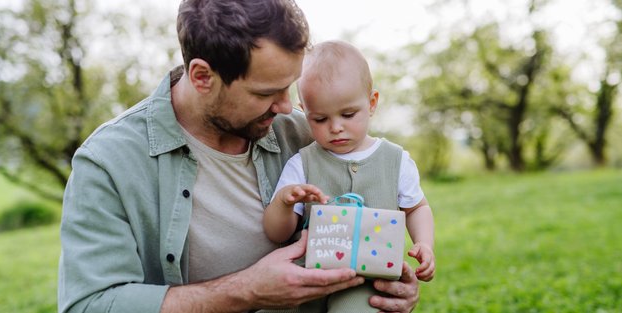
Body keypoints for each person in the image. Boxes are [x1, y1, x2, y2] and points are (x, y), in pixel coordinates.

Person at [58, 1, 420, 313]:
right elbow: (90, 304)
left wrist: (391, 287)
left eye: (289, 87)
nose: (284, 107)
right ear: (202, 76)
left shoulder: (305, 132)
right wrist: (246, 290)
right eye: (266, 92)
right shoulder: (108, 162)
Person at [263, 40, 435, 312]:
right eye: (319, 119)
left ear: (372, 103)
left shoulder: (395, 160)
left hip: (367, 279)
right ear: (304, 112)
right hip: (307, 277)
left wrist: (424, 243)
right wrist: (284, 203)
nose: (336, 128)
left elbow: (417, 208)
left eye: (348, 114)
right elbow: (276, 232)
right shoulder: (302, 163)